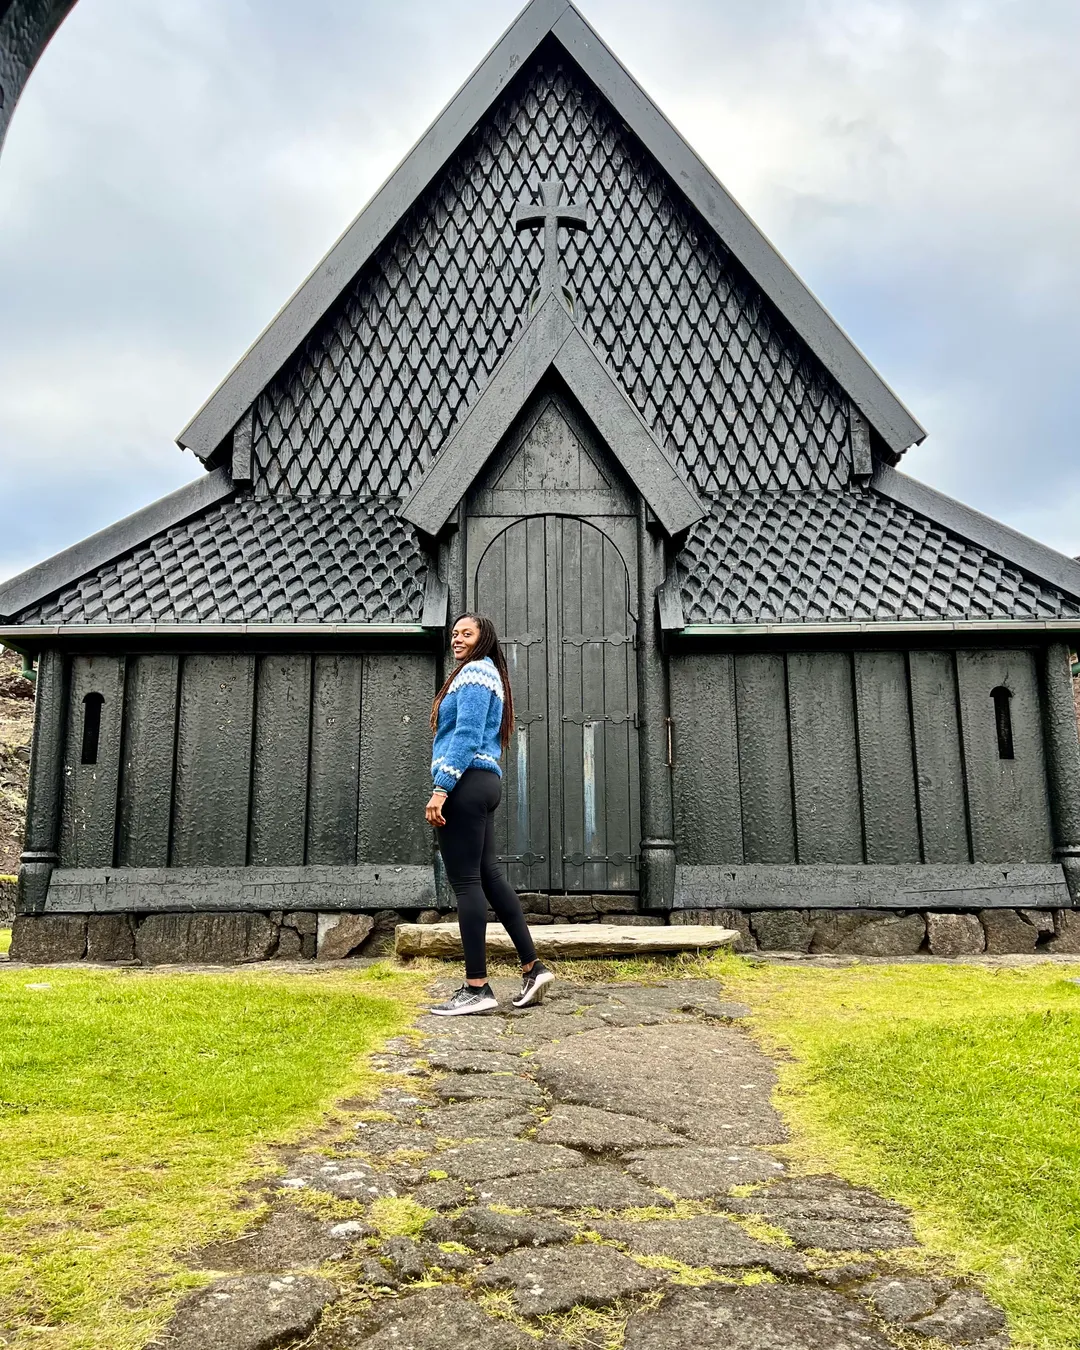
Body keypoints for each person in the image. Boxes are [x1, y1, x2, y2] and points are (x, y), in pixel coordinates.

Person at [425, 612, 554, 1015]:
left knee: (465, 884)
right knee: (489, 877)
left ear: (483, 639)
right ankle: (534, 967)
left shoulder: (476, 675)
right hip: (483, 783)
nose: (457, 639)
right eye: (454, 633)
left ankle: (477, 987)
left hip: (464, 784)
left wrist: (441, 788)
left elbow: (464, 735)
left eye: (467, 633)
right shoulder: (484, 673)